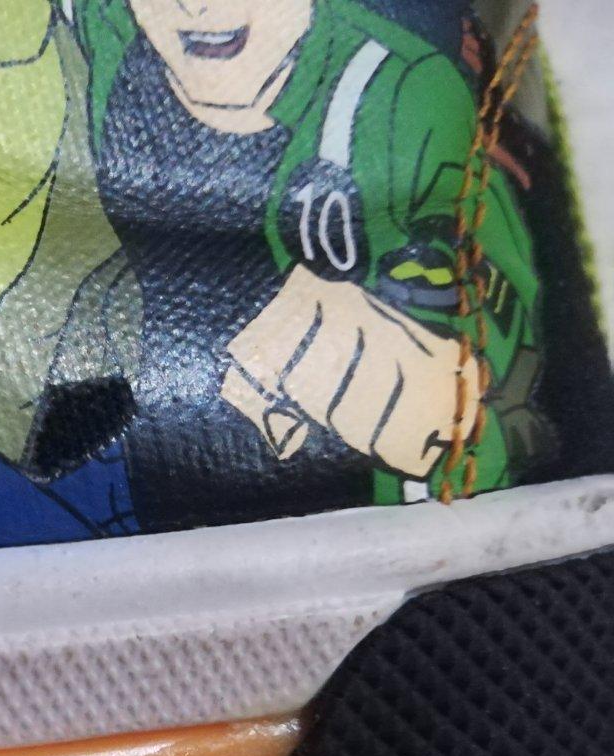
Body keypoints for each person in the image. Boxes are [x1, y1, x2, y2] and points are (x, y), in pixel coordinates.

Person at [67, 0, 541, 529]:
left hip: (335, 522)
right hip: (107, 475)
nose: (197, 7)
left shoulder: (398, 95)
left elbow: (500, 381)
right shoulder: (102, 27)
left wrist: (428, 391)